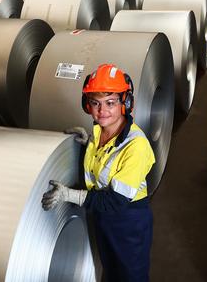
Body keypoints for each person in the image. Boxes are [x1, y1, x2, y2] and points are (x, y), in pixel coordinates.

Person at [41, 63, 155, 282]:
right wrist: (87, 147)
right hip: (103, 216)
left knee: (131, 275)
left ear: (126, 103)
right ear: (87, 105)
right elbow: (104, 166)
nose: (102, 111)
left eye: (111, 103)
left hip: (128, 220)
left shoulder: (136, 146)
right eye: (95, 103)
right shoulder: (99, 132)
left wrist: (68, 195)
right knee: (111, 270)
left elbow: (116, 200)